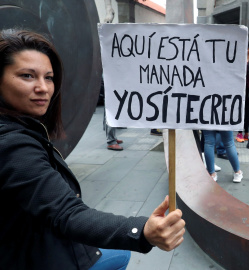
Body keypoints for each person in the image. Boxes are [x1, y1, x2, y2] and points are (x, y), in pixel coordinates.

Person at [0, 28, 185, 269]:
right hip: (37, 256)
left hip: (40, 244)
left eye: (49, 77)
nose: (43, 88)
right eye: (27, 76)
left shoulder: (23, 127)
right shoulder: (12, 145)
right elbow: (66, 213)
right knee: (122, 256)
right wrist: (141, 231)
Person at [236, 41, 249, 143]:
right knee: (240, 111)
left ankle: (246, 132)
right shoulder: (241, 60)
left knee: (248, 111)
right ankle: (239, 132)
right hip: (241, 89)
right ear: (247, 49)